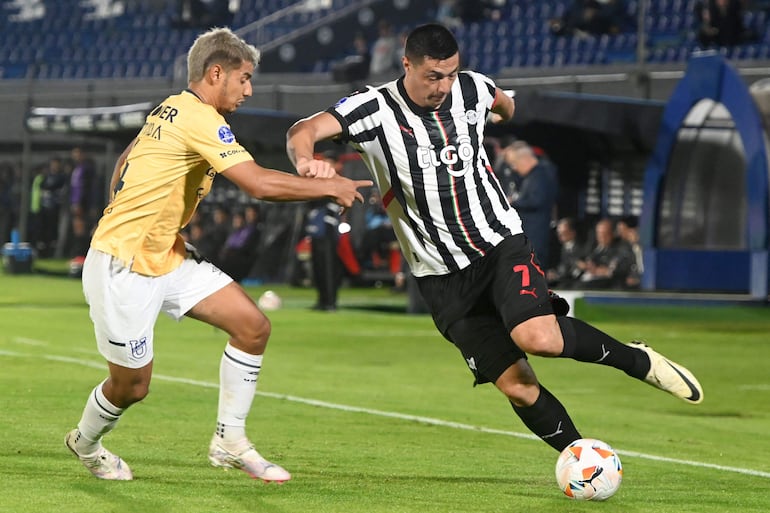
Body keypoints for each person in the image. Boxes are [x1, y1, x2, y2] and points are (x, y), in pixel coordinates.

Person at [286, 23, 703, 459]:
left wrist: (497, 113)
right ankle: (583, 460)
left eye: (451, 74)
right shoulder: (372, 108)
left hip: (498, 242)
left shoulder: (473, 89)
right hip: (440, 276)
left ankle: (639, 361)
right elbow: (303, 130)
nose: (444, 86)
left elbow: (505, 106)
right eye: (433, 76)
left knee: (537, 337)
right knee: (517, 386)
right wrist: (305, 161)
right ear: (406, 64)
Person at [64, 27, 372, 483]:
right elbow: (259, 185)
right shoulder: (200, 118)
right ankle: (86, 444)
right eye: (244, 78)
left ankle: (230, 440)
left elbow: (127, 159)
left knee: (252, 326)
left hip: (167, 256)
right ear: (215, 73)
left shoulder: (170, 107)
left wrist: (147, 218)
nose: (248, 89)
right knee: (132, 387)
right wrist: (328, 186)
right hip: (122, 265)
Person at [506, 140, 559, 270]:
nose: (515, 168)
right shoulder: (530, 177)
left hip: (536, 232)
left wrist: (514, 203)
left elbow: (537, 200)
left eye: (515, 164)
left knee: (535, 268)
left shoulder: (542, 174)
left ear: (524, 159)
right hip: (531, 233)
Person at [306, 152, 345, 311]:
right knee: (318, 266)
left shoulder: (338, 182)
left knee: (329, 267)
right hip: (317, 230)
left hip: (329, 230)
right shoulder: (319, 182)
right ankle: (322, 300)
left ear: (337, 165)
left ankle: (330, 302)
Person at [547, 217, 587, 289]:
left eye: (563, 233)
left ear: (572, 233)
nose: (560, 236)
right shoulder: (560, 248)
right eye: (559, 233)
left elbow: (576, 269)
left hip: (574, 282)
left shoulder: (582, 248)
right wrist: (555, 273)